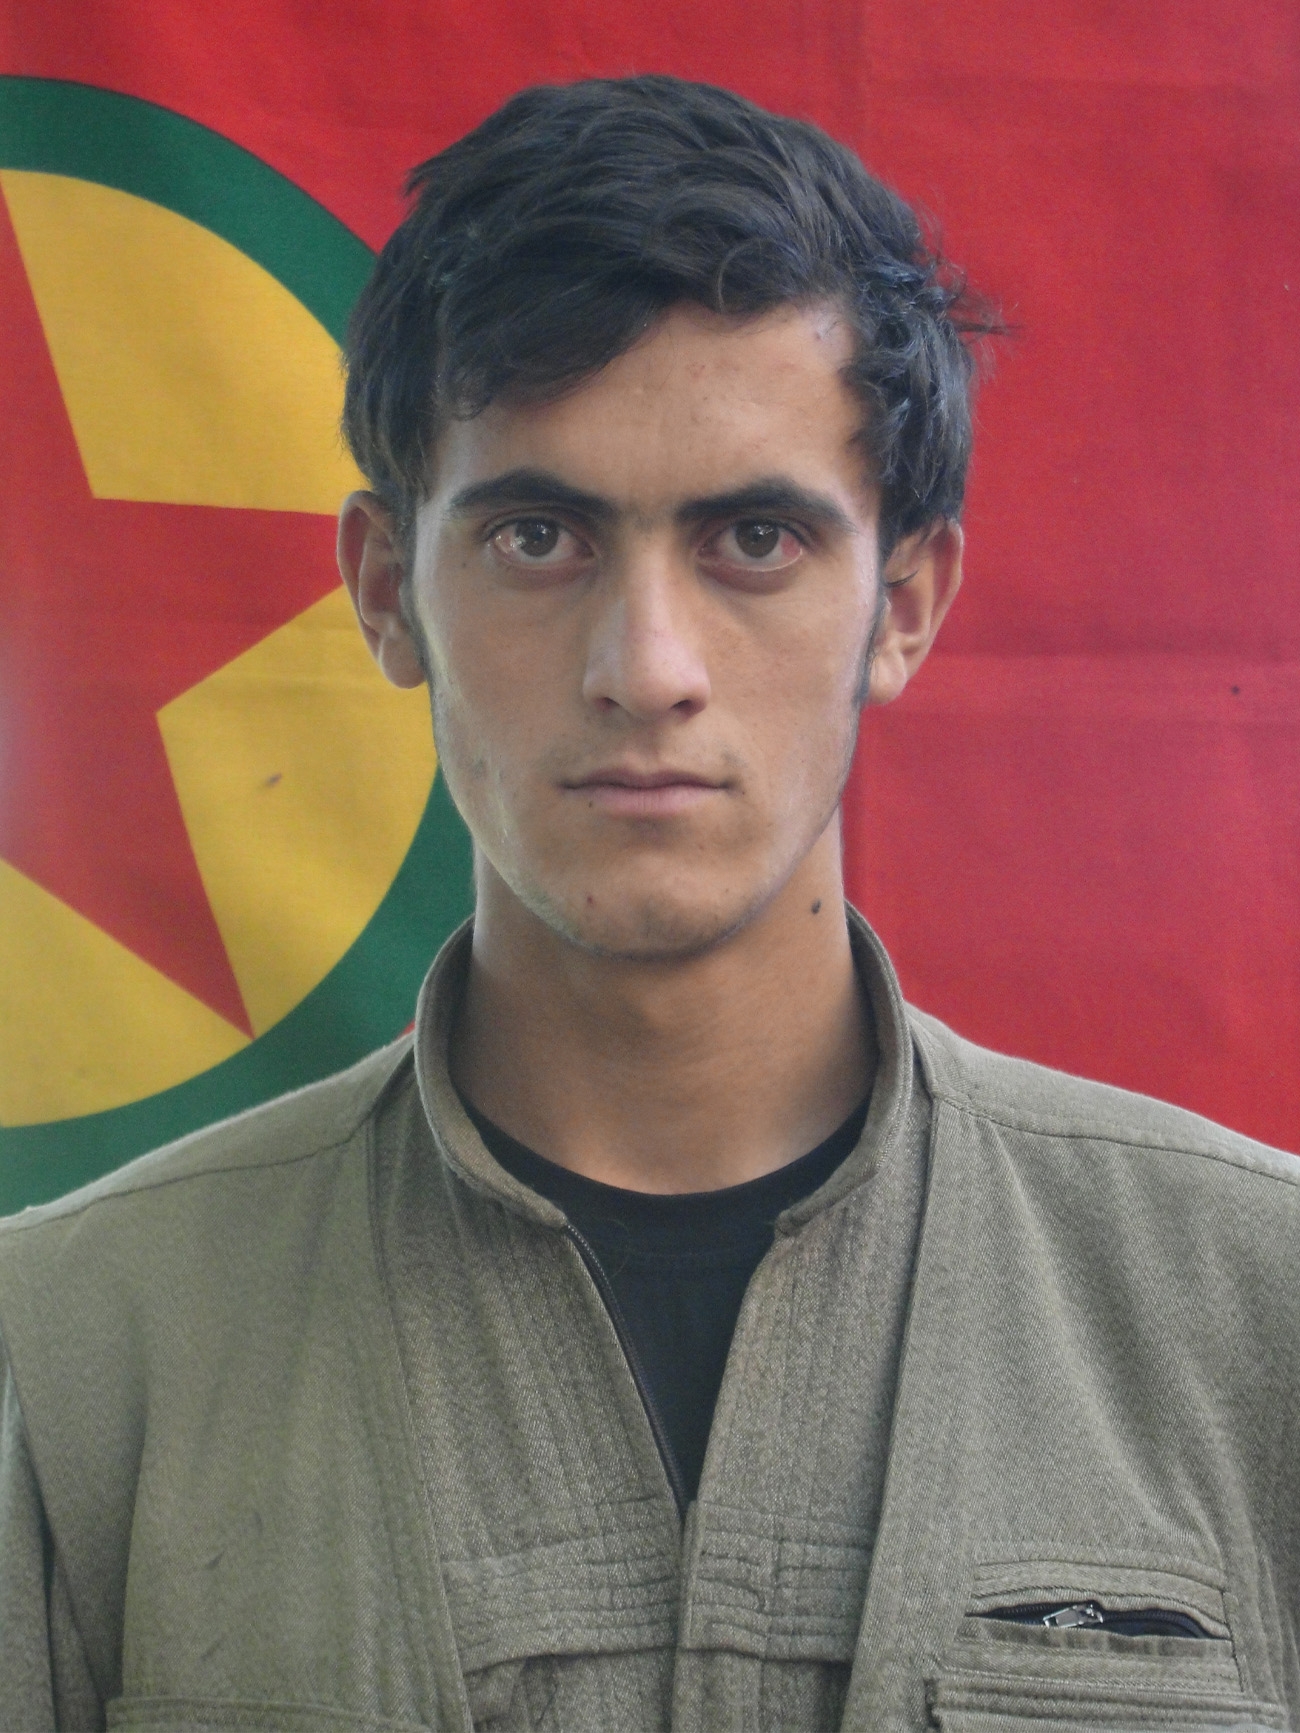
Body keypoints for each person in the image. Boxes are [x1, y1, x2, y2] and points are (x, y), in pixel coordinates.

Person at [1, 74, 1296, 1733]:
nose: (648, 667)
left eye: (754, 537)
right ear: (388, 590)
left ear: (904, 602)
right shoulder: (82, 1350)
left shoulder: (1254, 1311)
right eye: (539, 536)